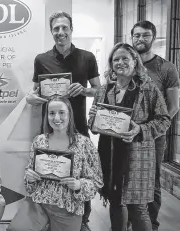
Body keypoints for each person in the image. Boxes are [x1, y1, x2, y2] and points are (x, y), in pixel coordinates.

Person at [25, 11, 101, 231]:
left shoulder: (87, 57)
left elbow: (99, 91)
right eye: (56, 29)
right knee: (50, 171)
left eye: (64, 28)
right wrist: (32, 99)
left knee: (81, 176)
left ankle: (82, 221)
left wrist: (85, 90)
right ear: (52, 32)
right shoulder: (41, 59)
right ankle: (48, 217)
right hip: (50, 128)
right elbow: (33, 94)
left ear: (71, 29)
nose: (60, 32)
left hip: (78, 129)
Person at [88, 43, 171, 231]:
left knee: (138, 209)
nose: (120, 62)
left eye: (125, 58)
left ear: (135, 61)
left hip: (138, 158)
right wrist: (93, 118)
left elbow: (164, 120)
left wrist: (140, 129)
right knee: (116, 203)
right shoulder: (103, 90)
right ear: (111, 64)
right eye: (116, 59)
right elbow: (93, 128)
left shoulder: (148, 89)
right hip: (109, 156)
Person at [7, 97, 103, 231]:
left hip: (68, 209)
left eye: (62, 112)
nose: (56, 118)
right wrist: (29, 178)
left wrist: (79, 184)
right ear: (47, 116)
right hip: (38, 205)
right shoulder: (39, 141)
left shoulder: (84, 144)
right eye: (51, 113)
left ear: (70, 114)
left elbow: (97, 182)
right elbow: (30, 183)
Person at [131, 20, 180, 231]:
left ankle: (151, 225)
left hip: (153, 137)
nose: (140, 39)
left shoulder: (166, 67)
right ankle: (128, 222)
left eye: (145, 35)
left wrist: (154, 129)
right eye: (136, 35)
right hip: (127, 135)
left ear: (153, 38)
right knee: (128, 178)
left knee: (152, 181)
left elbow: (174, 105)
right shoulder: (126, 64)